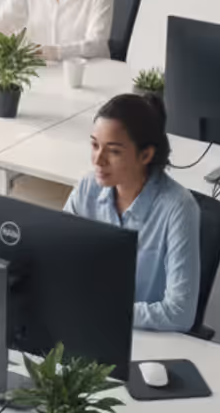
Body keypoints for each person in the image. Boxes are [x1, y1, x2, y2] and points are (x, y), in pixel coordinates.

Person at [62, 94, 202, 332]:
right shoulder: (88, 187)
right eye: (95, 145)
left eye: (113, 151)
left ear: (145, 155)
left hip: (145, 338)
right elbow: (57, 258)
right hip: (88, 329)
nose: (98, 160)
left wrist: (105, 312)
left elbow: (180, 313)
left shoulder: (178, 208)